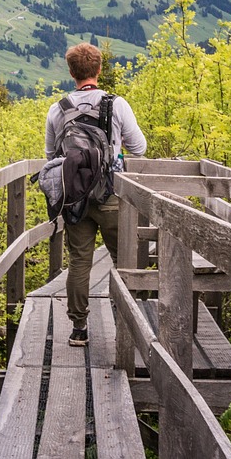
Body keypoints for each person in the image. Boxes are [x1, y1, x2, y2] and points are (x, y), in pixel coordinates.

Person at [45, 42, 146, 346]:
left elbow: (51, 156)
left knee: (79, 261)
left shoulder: (57, 108)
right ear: (99, 69)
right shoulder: (117, 105)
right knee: (124, 259)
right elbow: (139, 148)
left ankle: (79, 328)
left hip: (74, 196)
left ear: (71, 72)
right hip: (112, 193)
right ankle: (127, 323)